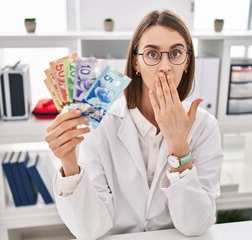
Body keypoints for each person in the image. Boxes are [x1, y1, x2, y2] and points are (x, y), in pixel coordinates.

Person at [45, 9, 223, 239]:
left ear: (187, 62)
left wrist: (179, 146)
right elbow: (89, 230)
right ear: (136, 63)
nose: (165, 66)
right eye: (152, 54)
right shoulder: (101, 122)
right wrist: (69, 163)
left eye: (176, 53)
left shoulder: (205, 127)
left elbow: (196, 225)